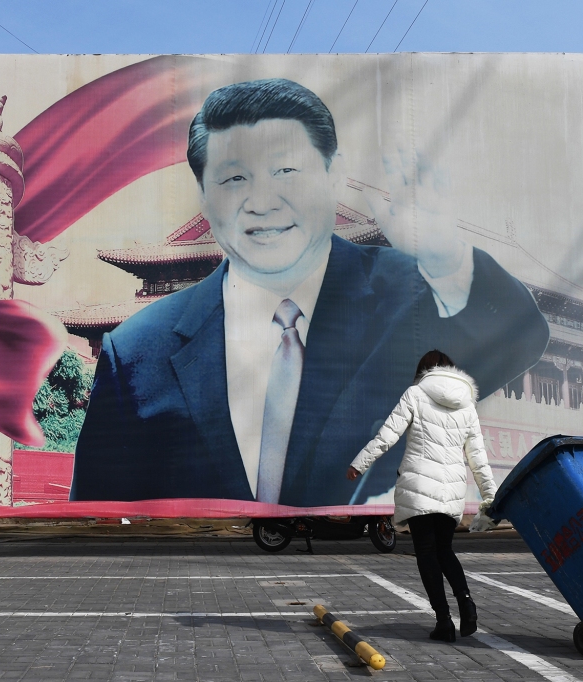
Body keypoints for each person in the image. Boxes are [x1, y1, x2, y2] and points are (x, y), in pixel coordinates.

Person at [69, 78, 548, 505]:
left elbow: (517, 336)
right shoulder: (135, 351)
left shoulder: (410, 294)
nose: (260, 202)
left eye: (286, 172)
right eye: (234, 178)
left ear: (332, 174)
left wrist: (444, 255)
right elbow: (95, 523)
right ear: (203, 195)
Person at [348, 350, 496, 641]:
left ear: (423, 371)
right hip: (451, 489)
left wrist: (359, 463)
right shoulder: (467, 406)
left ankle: (444, 622)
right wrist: (491, 496)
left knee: (426, 552)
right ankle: (466, 603)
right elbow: (478, 458)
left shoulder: (415, 394)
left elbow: (388, 434)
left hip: (418, 488)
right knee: (444, 550)